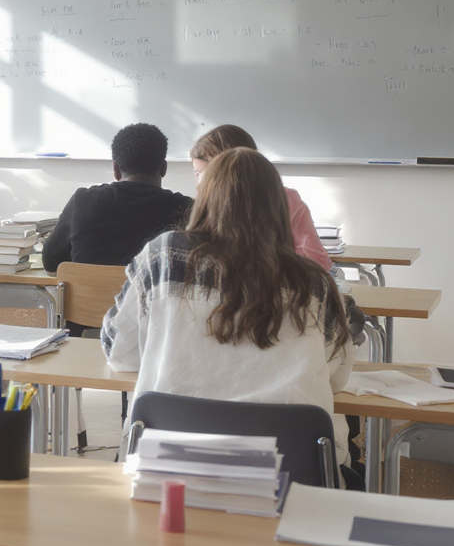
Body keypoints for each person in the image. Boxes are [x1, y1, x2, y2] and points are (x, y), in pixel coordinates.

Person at [102, 147, 355, 479]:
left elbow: (119, 352)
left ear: (204, 198)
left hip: (170, 473)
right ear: (278, 207)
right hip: (291, 477)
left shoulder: (161, 259)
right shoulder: (315, 284)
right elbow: (338, 377)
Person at [42, 123, 193, 279]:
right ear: (163, 168)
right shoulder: (185, 208)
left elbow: (51, 266)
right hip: (153, 303)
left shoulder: (82, 201)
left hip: (91, 303)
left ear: (115, 169)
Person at [189, 125, 332, 271]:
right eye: (196, 174)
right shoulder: (204, 204)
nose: (200, 183)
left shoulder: (287, 199)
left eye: (205, 174)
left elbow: (318, 261)